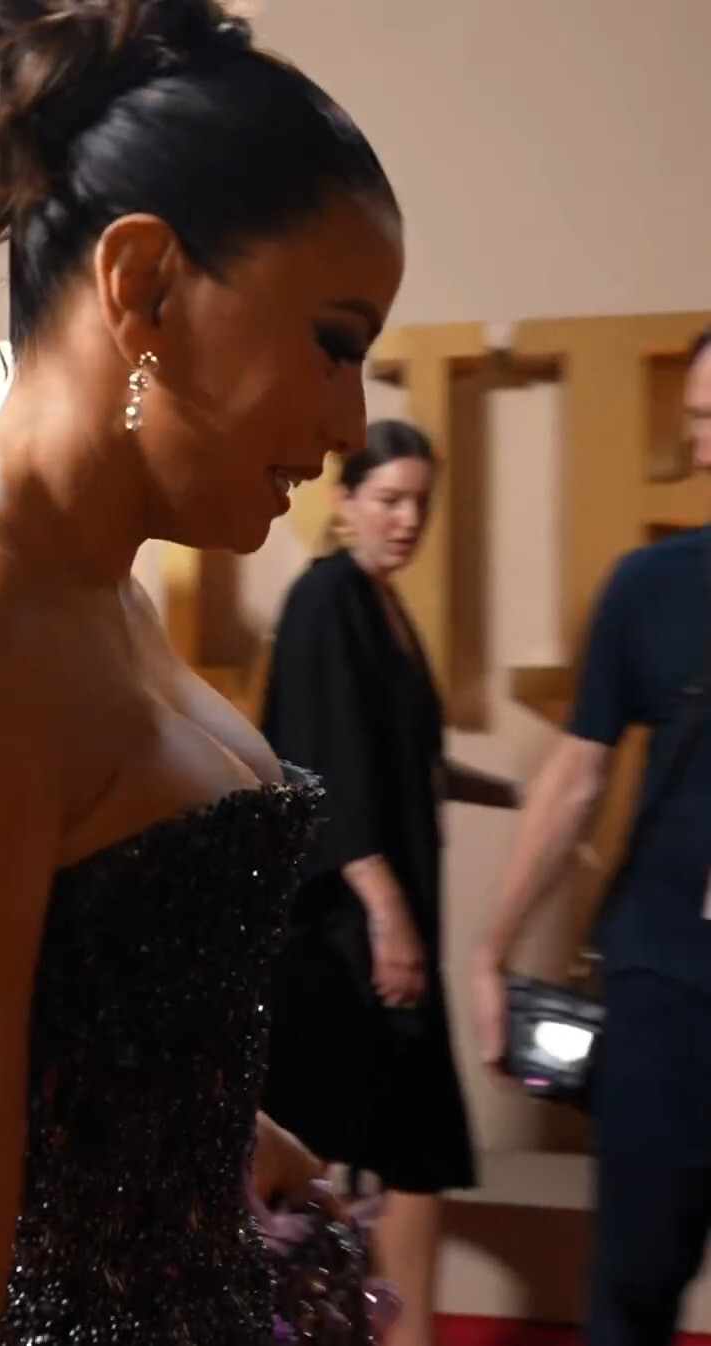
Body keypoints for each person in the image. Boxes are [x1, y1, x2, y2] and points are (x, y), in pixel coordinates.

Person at [0, 1, 405, 1342]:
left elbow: (61, 1022)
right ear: (145, 285)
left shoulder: (95, 596)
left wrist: (212, 1136)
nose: (351, 421)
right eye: (335, 341)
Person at [473, 326, 711, 1346]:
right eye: (695, 419)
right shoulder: (650, 585)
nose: (699, 444)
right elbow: (575, 776)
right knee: (634, 1282)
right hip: (665, 984)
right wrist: (492, 949)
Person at [261, 421, 520, 1346]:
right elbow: (321, 765)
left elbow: (402, 760)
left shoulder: (379, 603)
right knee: (360, 1151)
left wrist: (517, 795)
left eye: (421, 503)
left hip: (377, 924)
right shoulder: (329, 595)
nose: (408, 519)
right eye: (389, 500)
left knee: (407, 1150)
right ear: (345, 502)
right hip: (342, 937)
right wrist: (388, 917)